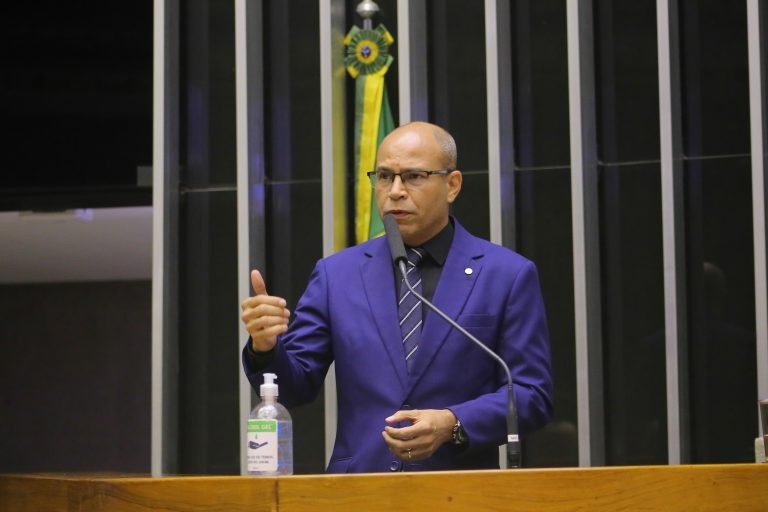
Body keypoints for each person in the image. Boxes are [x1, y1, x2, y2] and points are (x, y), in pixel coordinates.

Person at [241, 121, 553, 473]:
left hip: (458, 492)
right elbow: (294, 389)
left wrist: (452, 422)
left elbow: (531, 395)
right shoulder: (337, 275)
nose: (395, 191)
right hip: (357, 492)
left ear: (452, 185)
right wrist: (265, 348)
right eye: (385, 177)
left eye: (414, 177)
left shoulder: (506, 275)